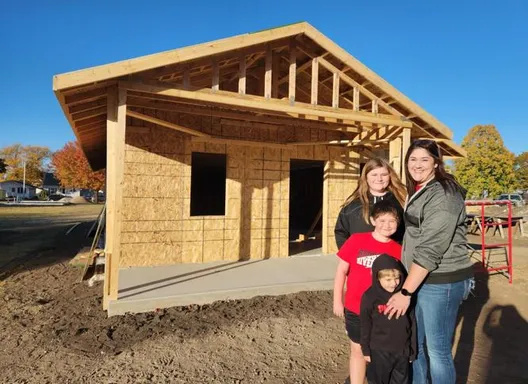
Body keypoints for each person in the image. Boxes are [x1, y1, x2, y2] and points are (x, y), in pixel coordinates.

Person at [384, 139, 474, 384]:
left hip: (440, 282)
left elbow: (430, 249)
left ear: (436, 162)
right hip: (420, 279)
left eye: (424, 159)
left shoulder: (445, 195)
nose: (417, 164)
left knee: (438, 351)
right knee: (417, 345)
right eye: (413, 159)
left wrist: (405, 291)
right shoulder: (421, 188)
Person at [333, 200, 403, 384]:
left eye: (392, 221)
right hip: (355, 307)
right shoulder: (357, 240)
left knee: (375, 351)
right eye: (382, 220)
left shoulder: (398, 250)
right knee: (357, 350)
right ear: (373, 220)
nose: (387, 225)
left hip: (380, 311)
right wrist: (337, 301)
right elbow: (341, 271)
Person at [360, 254, 416, 384]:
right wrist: (366, 349)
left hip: (402, 350)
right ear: (377, 278)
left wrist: (412, 350)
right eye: (388, 280)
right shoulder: (370, 297)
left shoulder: (405, 297)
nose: (394, 283)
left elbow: (412, 322)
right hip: (379, 351)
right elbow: (365, 324)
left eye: (397, 278)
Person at [335, 158, 407, 250]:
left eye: (384, 174)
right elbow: (341, 233)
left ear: (390, 176)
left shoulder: (401, 202)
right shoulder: (353, 206)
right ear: (366, 177)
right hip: (360, 261)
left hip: (392, 260)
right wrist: (349, 257)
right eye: (374, 174)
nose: (379, 179)